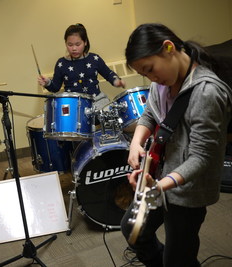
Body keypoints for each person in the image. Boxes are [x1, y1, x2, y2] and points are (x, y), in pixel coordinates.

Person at [120, 23, 232, 267]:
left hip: (188, 190)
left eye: (150, 69)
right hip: (159, 177)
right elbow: (149, 115)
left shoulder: (207, 92)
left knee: (178, 258)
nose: (152, 78)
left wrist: (159, 186)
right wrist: (136, 144)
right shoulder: (160, 83)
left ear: (168, 48)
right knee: (132, 231)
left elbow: (202, 157)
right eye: (145, 74)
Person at [38, 23, 126, 110]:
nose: (74, 48)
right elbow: (55, 87)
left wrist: (117, 81)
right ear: (65, 43)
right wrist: (47, 82)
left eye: (77, 44)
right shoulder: (61, 63)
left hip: (97, 101)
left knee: (111, 115)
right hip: (74, 105)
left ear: (85, 42)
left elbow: (108, 74)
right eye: (70, 45)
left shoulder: (94, 58)